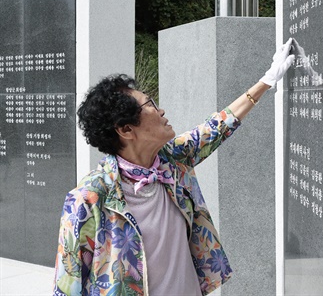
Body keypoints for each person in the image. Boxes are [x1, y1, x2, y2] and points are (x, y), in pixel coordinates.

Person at [53, 39, 295, 296]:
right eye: (151, 105)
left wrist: (267, 80)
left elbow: (216, 127)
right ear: (126, 129)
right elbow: (67, 284)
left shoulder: (171, 160)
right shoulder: (88, 200)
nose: (162, 110)